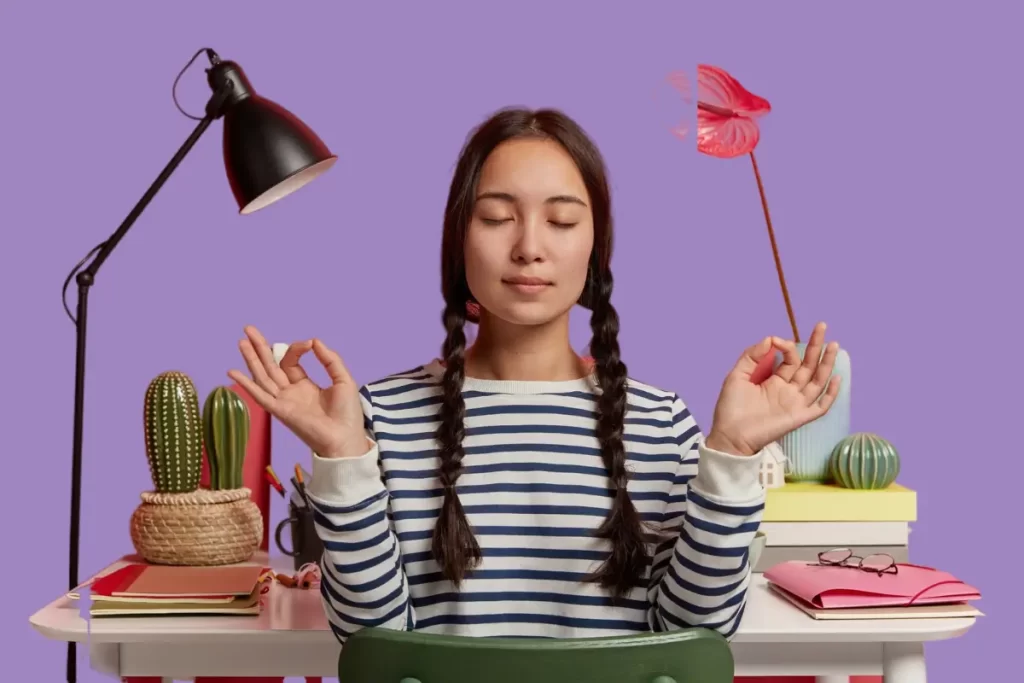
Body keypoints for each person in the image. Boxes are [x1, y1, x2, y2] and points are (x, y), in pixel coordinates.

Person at [229, 107, 841, 644]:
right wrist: (342, 457)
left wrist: (731, 455)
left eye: (562, 221)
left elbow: (693, 636)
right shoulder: (378, 418)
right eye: (497, 218)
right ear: (459, 242)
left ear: (596, 248)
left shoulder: (661, 424)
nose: (529, 247)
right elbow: (374, 642)